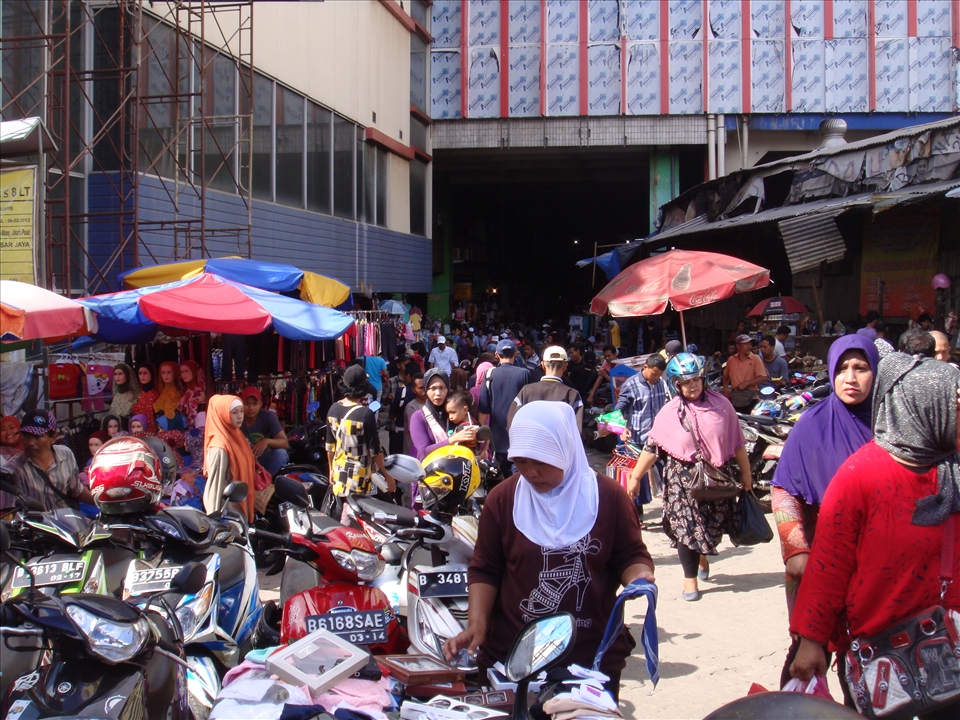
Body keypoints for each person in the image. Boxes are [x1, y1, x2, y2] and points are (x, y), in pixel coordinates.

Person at [442, 402, 656, 697]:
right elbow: (485, 569)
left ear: (565, 450)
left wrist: (639, 577)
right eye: (521, 461)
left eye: (542, 462)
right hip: (513, 657)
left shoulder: (608, 497)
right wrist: (476, 625)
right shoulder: (503, 499)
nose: (531, 472)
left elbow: (630, 555)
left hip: (589, 658)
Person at [788, 353, 960, 719]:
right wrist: (812, 641)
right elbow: (829, 567)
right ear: (922, 408)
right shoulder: (861, 477)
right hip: (884, 659)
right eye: (954, 404)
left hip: (952, 651)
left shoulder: (952, 470)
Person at [770, 334, 878, 687]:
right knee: (806, 656)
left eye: (861, 368)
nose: (851, 378)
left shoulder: (890, 426)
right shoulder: (812, 425)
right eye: (842, 368)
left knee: (866, 669)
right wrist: (795, 549)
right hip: (818, 566)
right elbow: (784, 489)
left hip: (876, 571)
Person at [627, 354, 751, 601]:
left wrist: (746, 473)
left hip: (716, 477)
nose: (692, 386)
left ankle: (702, 555)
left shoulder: (722, 406)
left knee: (711, 527)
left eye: (696, 380)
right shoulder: (669, 413)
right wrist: (635, 477)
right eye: (686, 382)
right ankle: (689, 579)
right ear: (676, 385)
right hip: (681, 480)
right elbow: (652, 448)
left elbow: (737, 442)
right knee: (685, 529)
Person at [325, 365, 395, 510]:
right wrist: (388, 477)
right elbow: (376, 451)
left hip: (339, 473)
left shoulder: (333, 409)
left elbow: (330, 446)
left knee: (345, 510)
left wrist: (331, 470)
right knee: (356, 513)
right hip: (358, 476)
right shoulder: (364, 414)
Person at [12, 410, 94, 511]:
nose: (30, 442)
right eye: (26, 436)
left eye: (37, 437)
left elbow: (76, 490)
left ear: (53, 438)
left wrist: (101, 504)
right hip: (34, 520)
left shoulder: (66, 455)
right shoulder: (14, 468)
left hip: (65, 518)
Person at [479, 340, 531, 477]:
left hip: (498, 438)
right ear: (515, 353)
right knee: (518, 477)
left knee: (506, 476)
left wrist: (483, 441)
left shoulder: (489, 375)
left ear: (496, 355)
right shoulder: (525, 374)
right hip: (520, 437)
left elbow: (483, 410)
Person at [202, 395, 256, 521]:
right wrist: (213, 520)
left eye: (241, 411)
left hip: (238, 510)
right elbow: (215, 487)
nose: (240, 416)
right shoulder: (219, 447)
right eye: (234, 412)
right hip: (227, 515)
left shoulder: (237, 437)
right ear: (222, 415)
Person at [508, 347, 584, 431]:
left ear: (543, 365)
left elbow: (511, 425)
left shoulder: (526, 391)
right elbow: (577, 431)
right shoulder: (572, 394)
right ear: (565, 366)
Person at [410, 369, 478, 461]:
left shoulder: (455, 411)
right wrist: (453, 439)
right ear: (426, 390)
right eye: (433, 388)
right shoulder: (418, 417)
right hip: (431, 467)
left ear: (447, 389)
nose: (438, 393)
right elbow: (424, 452)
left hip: (459, 466)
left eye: (442, 388)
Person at [240, 386, 290, 476]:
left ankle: (272, 482)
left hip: (263, 457)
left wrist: (266, 441)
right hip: (243, 458)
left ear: (261, 404)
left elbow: (285, 443)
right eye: (247, 404)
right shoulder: (236, 417)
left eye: (254, 404)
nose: (251, 408)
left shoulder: (268, 417)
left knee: (281, 454)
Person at [723, 334, 768, 410]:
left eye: (750, 344)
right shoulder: (731, 359)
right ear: (738, 346)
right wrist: (725, 388)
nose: (749, 346)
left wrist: (747, 383)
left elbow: (764, 377)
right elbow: (725, 376)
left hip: (751, 398)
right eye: (746, 344)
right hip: (736, 397)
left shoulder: (755, 358)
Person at [389, 360, 421, 454]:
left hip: (401, 432)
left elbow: (392, 413)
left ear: (408, 376)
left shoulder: (402, 391)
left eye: (404, 375)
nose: (403, 378)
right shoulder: (426, 393)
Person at [153, 361, 185, 430]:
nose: (166, 375)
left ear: (175, 373)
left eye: (169, 372)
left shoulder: (176, 393)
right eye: (163, 373)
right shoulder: (162, 391)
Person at [402, 372, 426, 456]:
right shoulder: (411, 407)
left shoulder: (432, 404)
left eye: (426, 387)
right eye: (421, 388)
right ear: (414, 390)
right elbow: (415, 434)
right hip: (414, 453)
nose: (425, 390)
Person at [177, 361, 206, 427]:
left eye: (186, 371)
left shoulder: (199, 391)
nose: (184, 374)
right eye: (182, 372)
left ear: (193, 371)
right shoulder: (184, 391)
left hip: (196, 427)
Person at [132, 363, 159, 431]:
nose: (142, 376)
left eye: (145, 373)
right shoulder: (139, 394)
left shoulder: (155, 394)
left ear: (151, 374)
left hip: (152, 431)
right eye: (140, 373)